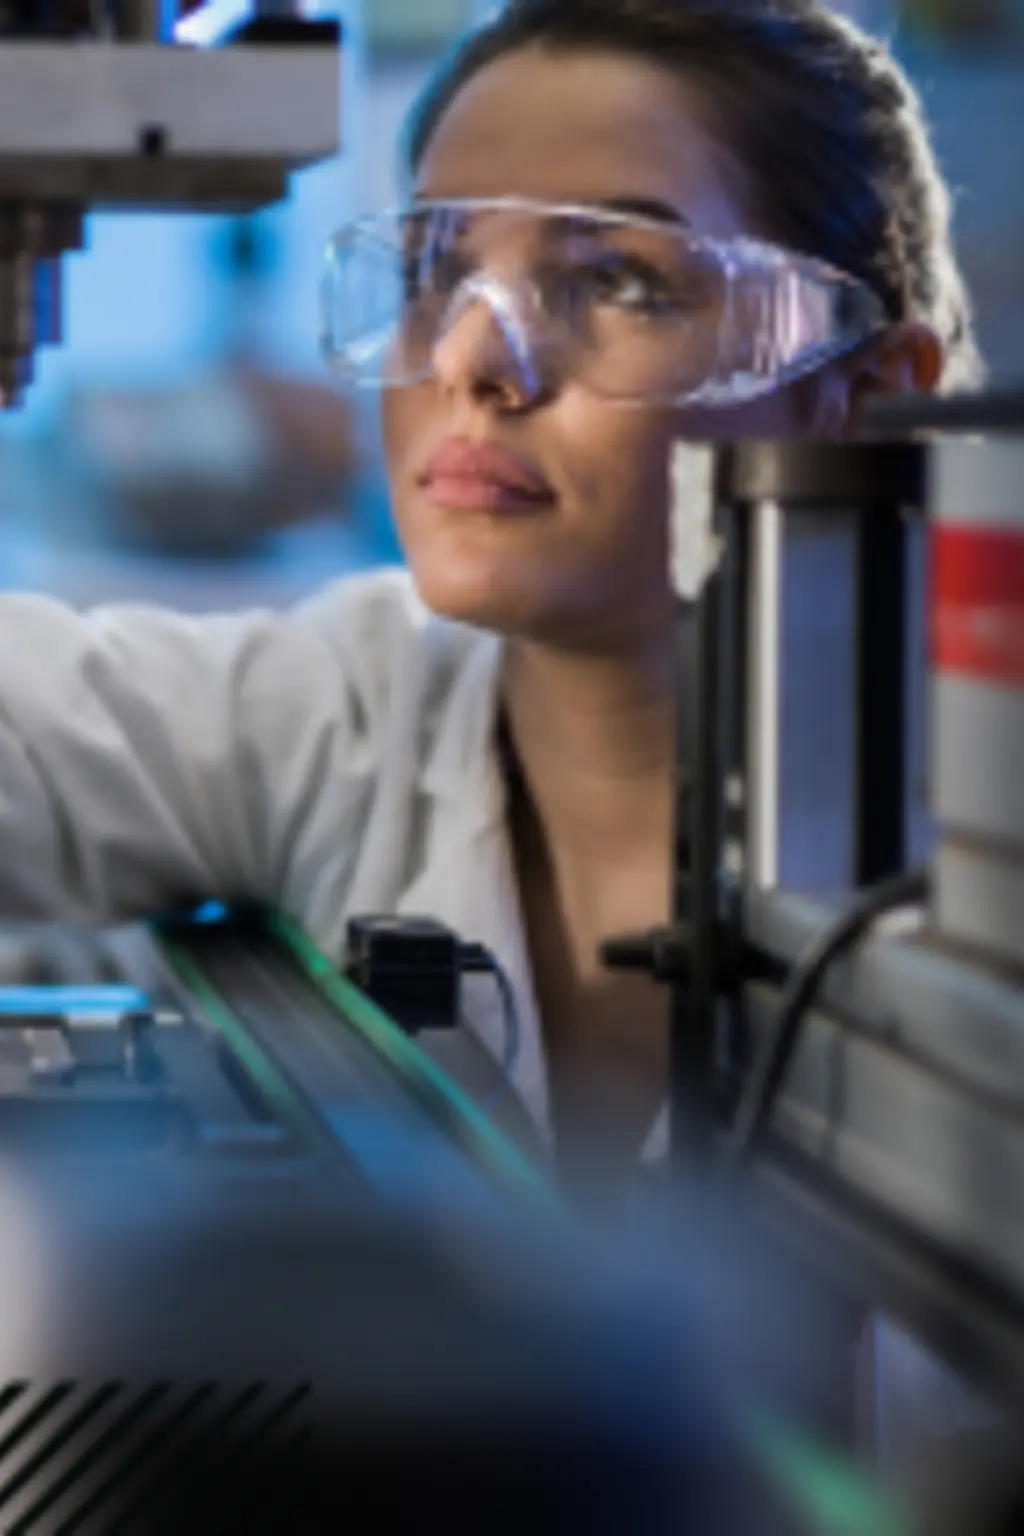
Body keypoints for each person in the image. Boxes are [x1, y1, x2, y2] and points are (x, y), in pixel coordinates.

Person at [0, 0, 981, 1184]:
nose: (471, 358)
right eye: (437, 271)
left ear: (868, 394)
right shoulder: (352, 713)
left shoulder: (984, 840)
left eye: (618, 279)